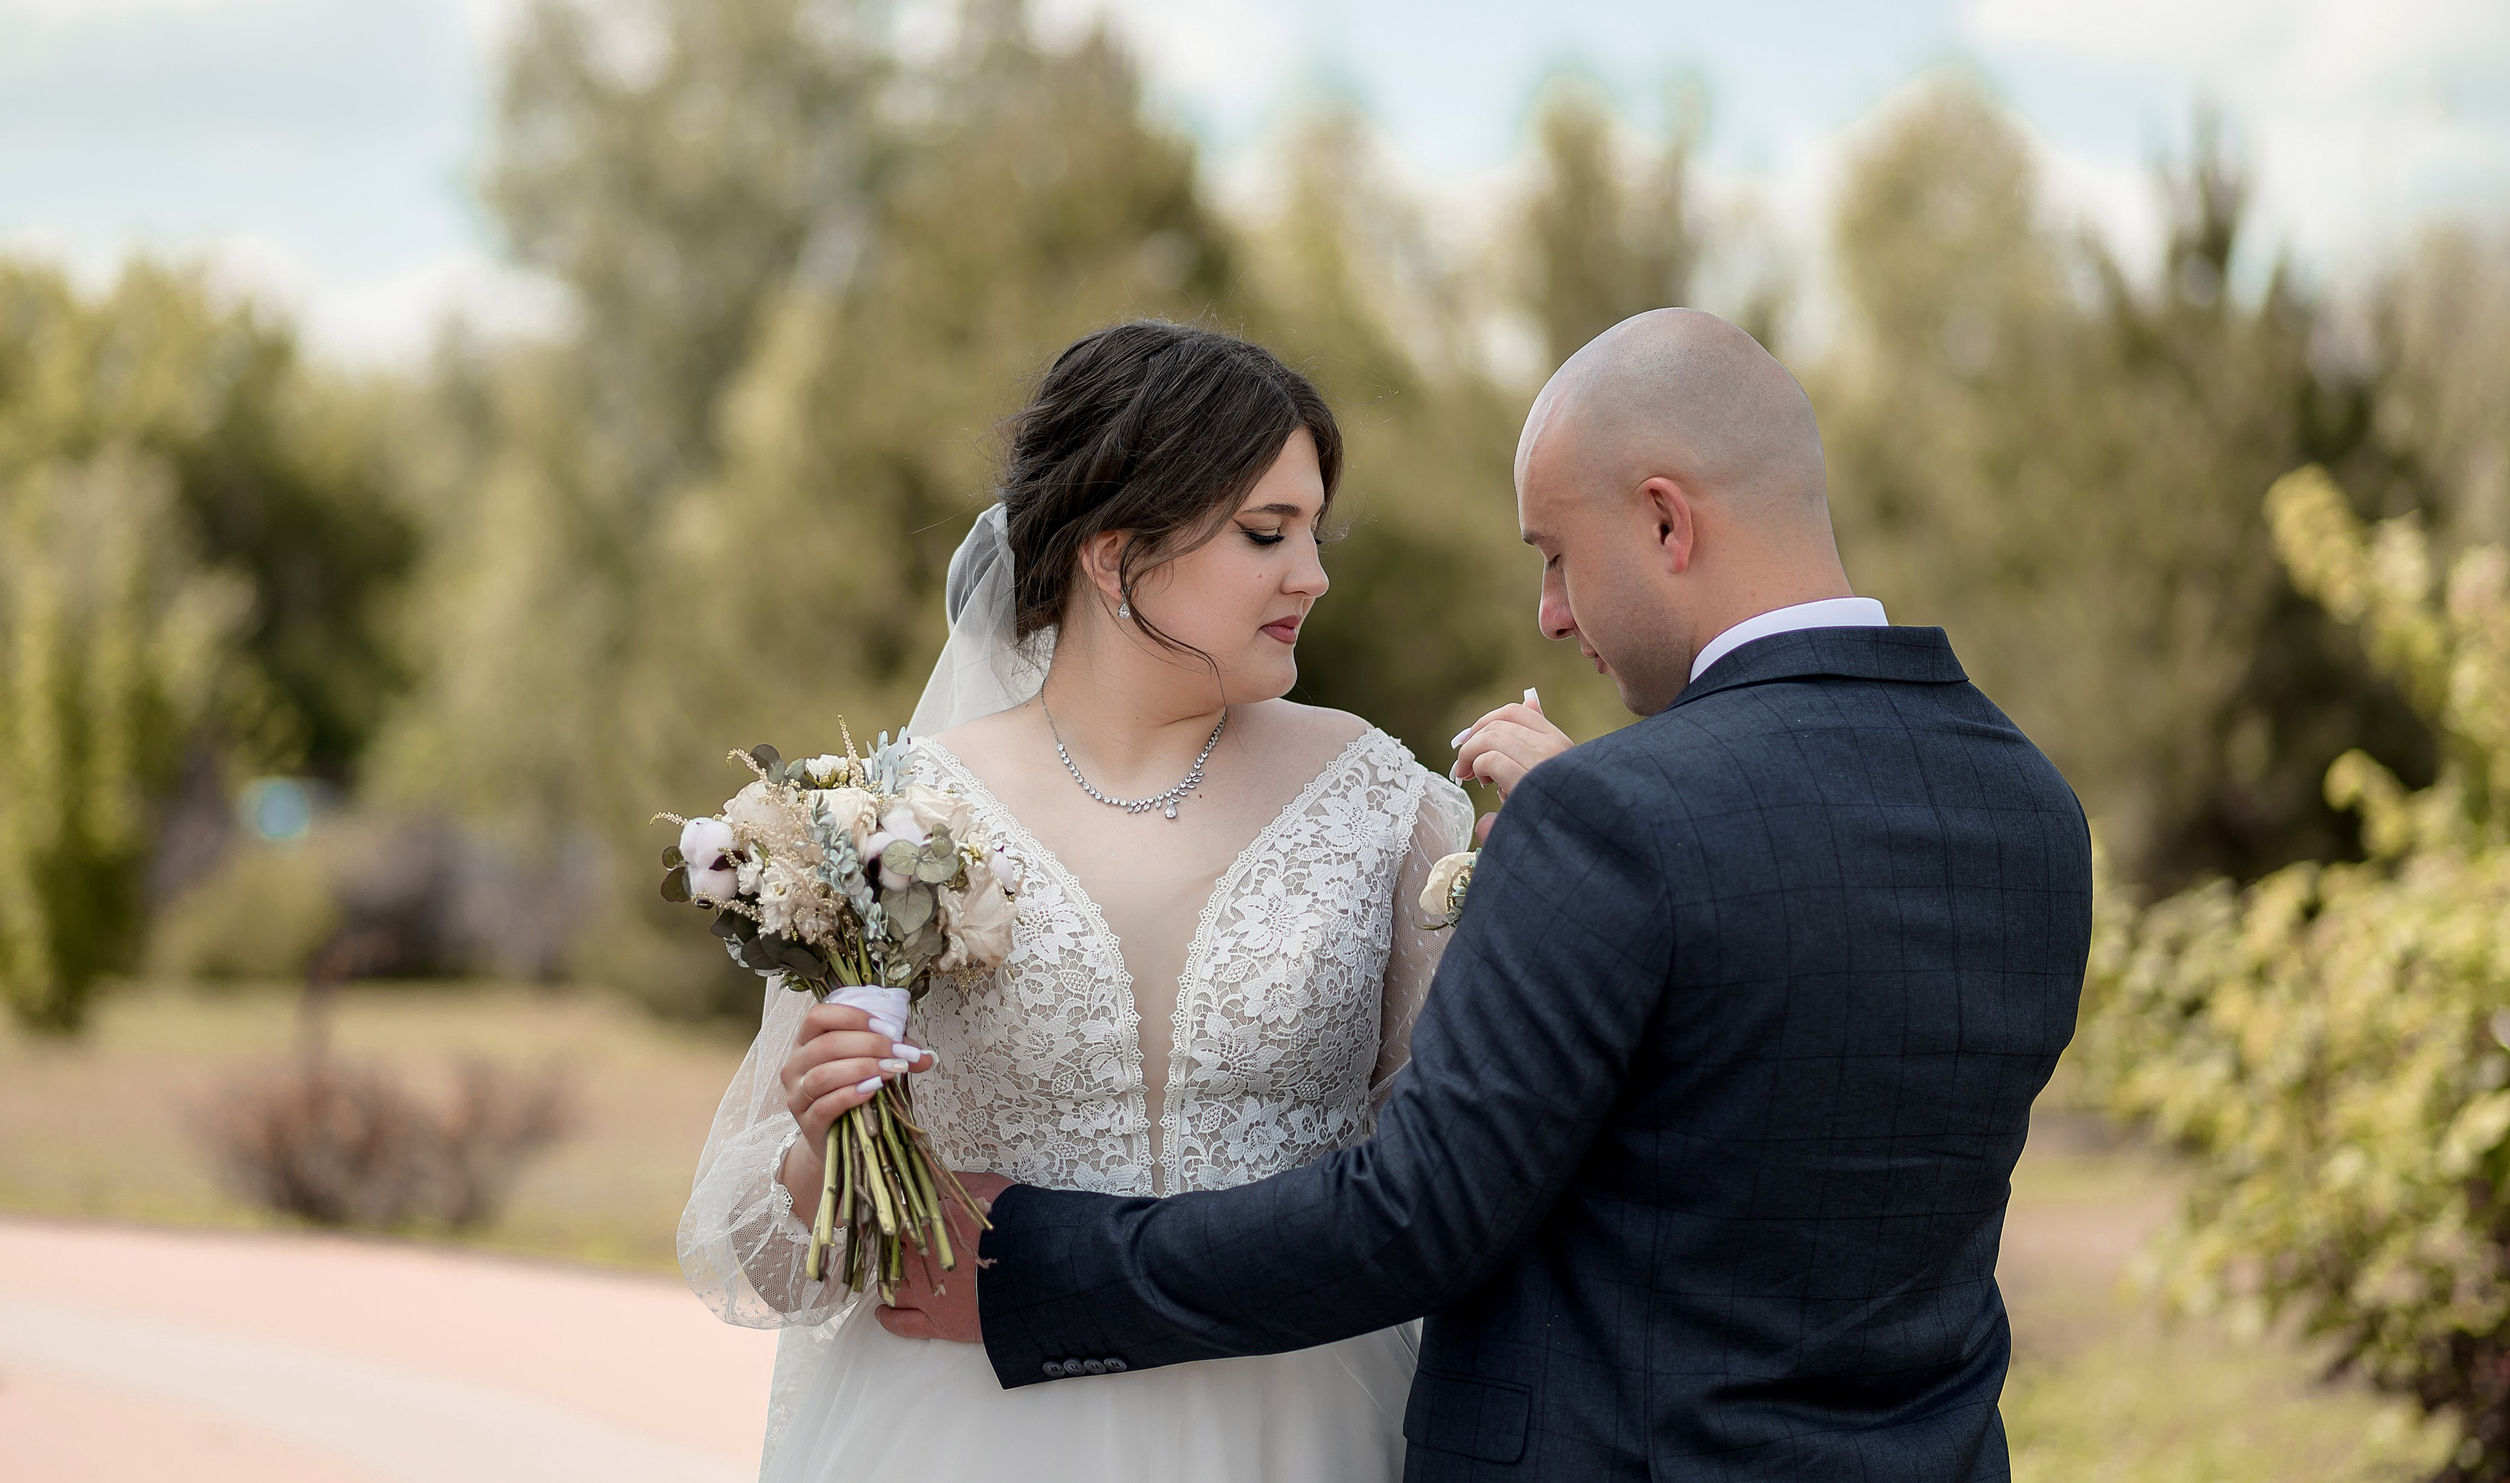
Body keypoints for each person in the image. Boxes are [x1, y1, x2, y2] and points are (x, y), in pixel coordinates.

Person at [888, 308, 2096, 1482]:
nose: (1550, 613)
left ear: (1664, 520)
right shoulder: (2027, 802)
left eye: (1554, 554)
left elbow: (1416, 1213)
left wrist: (1026, 1263)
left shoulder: (1613, 815)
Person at [676, 319, 1475, 1481]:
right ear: (1113, 553)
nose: (1312, 573)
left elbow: (1458, 1170)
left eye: (1313, 530)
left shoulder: (1385, 803)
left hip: (1308, 1418)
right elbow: (767, 1264)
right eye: (1267, 532)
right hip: (961, 1426)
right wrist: (819, 1140)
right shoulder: (900, 821)